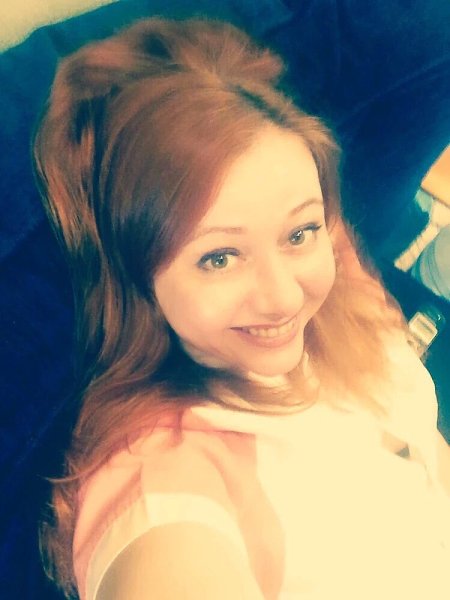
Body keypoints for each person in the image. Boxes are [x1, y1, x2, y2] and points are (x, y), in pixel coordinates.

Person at [32, 16, 450, 600]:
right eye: (220, 258)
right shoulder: (163, 485)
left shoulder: (335, 281)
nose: (285, 298)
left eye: (299, 233)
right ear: (138, 277)